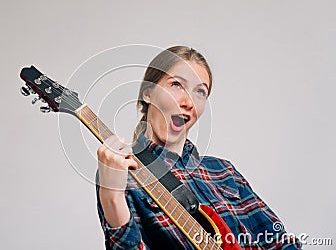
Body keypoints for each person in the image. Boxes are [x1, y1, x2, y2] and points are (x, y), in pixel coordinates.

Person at [96, 46, 301, 249]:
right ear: (148, 93)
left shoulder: (224, 171)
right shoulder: (124, 173)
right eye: (176, 84)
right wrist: (112, 197)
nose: (188, 102)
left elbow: (279, 242)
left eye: (200, 91)